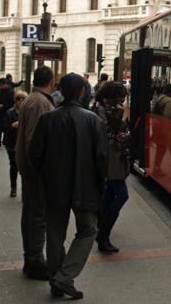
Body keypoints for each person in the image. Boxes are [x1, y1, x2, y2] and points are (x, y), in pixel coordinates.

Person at [31, 73, 107, 299]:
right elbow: (101, 158)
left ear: (60, 91)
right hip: (85, 186)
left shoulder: (48, 119)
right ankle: (64, 277)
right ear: (83, 92)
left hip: (54, 186)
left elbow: (35, 155)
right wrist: (100, 183)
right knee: (88, 230)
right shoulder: (93, 120)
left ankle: (57, 280)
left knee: (55, 235)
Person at [15, 66, 55, 281]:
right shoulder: (40, 102)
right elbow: (34, 140)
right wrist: (41, 169)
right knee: (38, 215)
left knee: (31, 214)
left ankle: (31, 257)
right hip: (35, 171)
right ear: (51, 81)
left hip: (28, 168)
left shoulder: (32, 98)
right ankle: (36, 260)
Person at [94, 82, 130, 254]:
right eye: (120, 96)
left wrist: (122, 133)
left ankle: (100, 228)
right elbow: (104, 131)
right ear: (111, 96)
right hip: (109, 158)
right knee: (122, 195)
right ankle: (103, 234)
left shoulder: (107, 108)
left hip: (113, 155)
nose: (123, 100)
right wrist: (118, 121)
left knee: (109, 194)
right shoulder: (102, 109)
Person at [3, 91, 26, 197]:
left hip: (24, 144)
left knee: (24, 167)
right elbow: (4, 127)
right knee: (14, 166)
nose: (20, 101)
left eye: (23, 99)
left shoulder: (28, 112)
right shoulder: (9, 112)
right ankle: (13, 187)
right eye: (18, 99)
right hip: (12, 143)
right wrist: (12, 126)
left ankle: (24, 190)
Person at [152, 84, 171, 172]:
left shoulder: (160, 99)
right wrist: (165, 131)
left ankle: (157, 167)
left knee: (161, 149)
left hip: (159, 129)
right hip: (169, 131)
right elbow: (168, 116)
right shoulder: (169, 101)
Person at [0, 78, 15, 147]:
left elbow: (12, 103)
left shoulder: (11, 92)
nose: (0, 87)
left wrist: (3, 106)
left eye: (1, 85)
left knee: (6, 127)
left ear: (5, 84)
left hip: (7, 113)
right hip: (1, 112)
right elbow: (0, 100)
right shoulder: (1, 90)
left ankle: (5, 141)